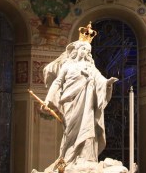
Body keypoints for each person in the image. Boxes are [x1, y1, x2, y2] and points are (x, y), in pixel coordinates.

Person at [41, 23, 117, 164]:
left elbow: (100, 80)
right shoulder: (68, 65)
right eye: (83, 49)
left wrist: (107, 83)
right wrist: (48, 100)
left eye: (88, 51)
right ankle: (68, 159)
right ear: (76, 50)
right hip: (70, 102)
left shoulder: (91, 67)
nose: (86, 52)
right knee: (69, 131)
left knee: (87, 128)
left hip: (87, 104)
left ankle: (85, 158)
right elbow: (57, 82)